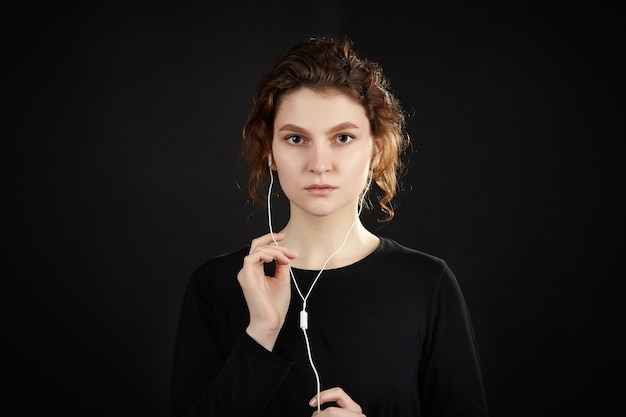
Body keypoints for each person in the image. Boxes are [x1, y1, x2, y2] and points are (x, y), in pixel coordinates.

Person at [170, 35, 489, 417]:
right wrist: (261, 334)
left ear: (375, 150)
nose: (319, 163)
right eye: (295, 138)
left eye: (342, 138)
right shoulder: (217, 286)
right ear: (270, 153)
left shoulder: (427, 284)